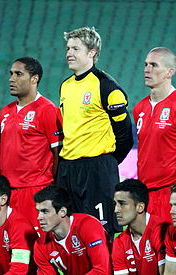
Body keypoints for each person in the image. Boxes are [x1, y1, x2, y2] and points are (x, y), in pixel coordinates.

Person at [57, 26, 133, 235]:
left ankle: (105, 269)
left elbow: (125, 134)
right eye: (68, 48)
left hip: (97, 169)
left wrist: (106, 162)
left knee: (101, 233)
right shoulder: (65, 86)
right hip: (69, 169)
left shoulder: (106, 86)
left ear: (92, 52)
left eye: (75, 49)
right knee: (71, 234)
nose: (69, 53)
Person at [134, 47, 176, 222]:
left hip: (172, 193)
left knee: (172, 247)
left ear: (170, 72)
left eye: (154, 65)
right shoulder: (139, 108)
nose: (147, 69)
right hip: (145, 192)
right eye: (146, 64)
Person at [0, 57, 63, 222]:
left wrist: (51, 186)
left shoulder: (48, 110)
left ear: (34, 79)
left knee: (34, 243)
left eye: (19, 74)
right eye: (11, 74)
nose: (11, 79)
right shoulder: (5, 111)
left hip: (35, 190)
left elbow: (59, 153)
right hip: (7, 191)